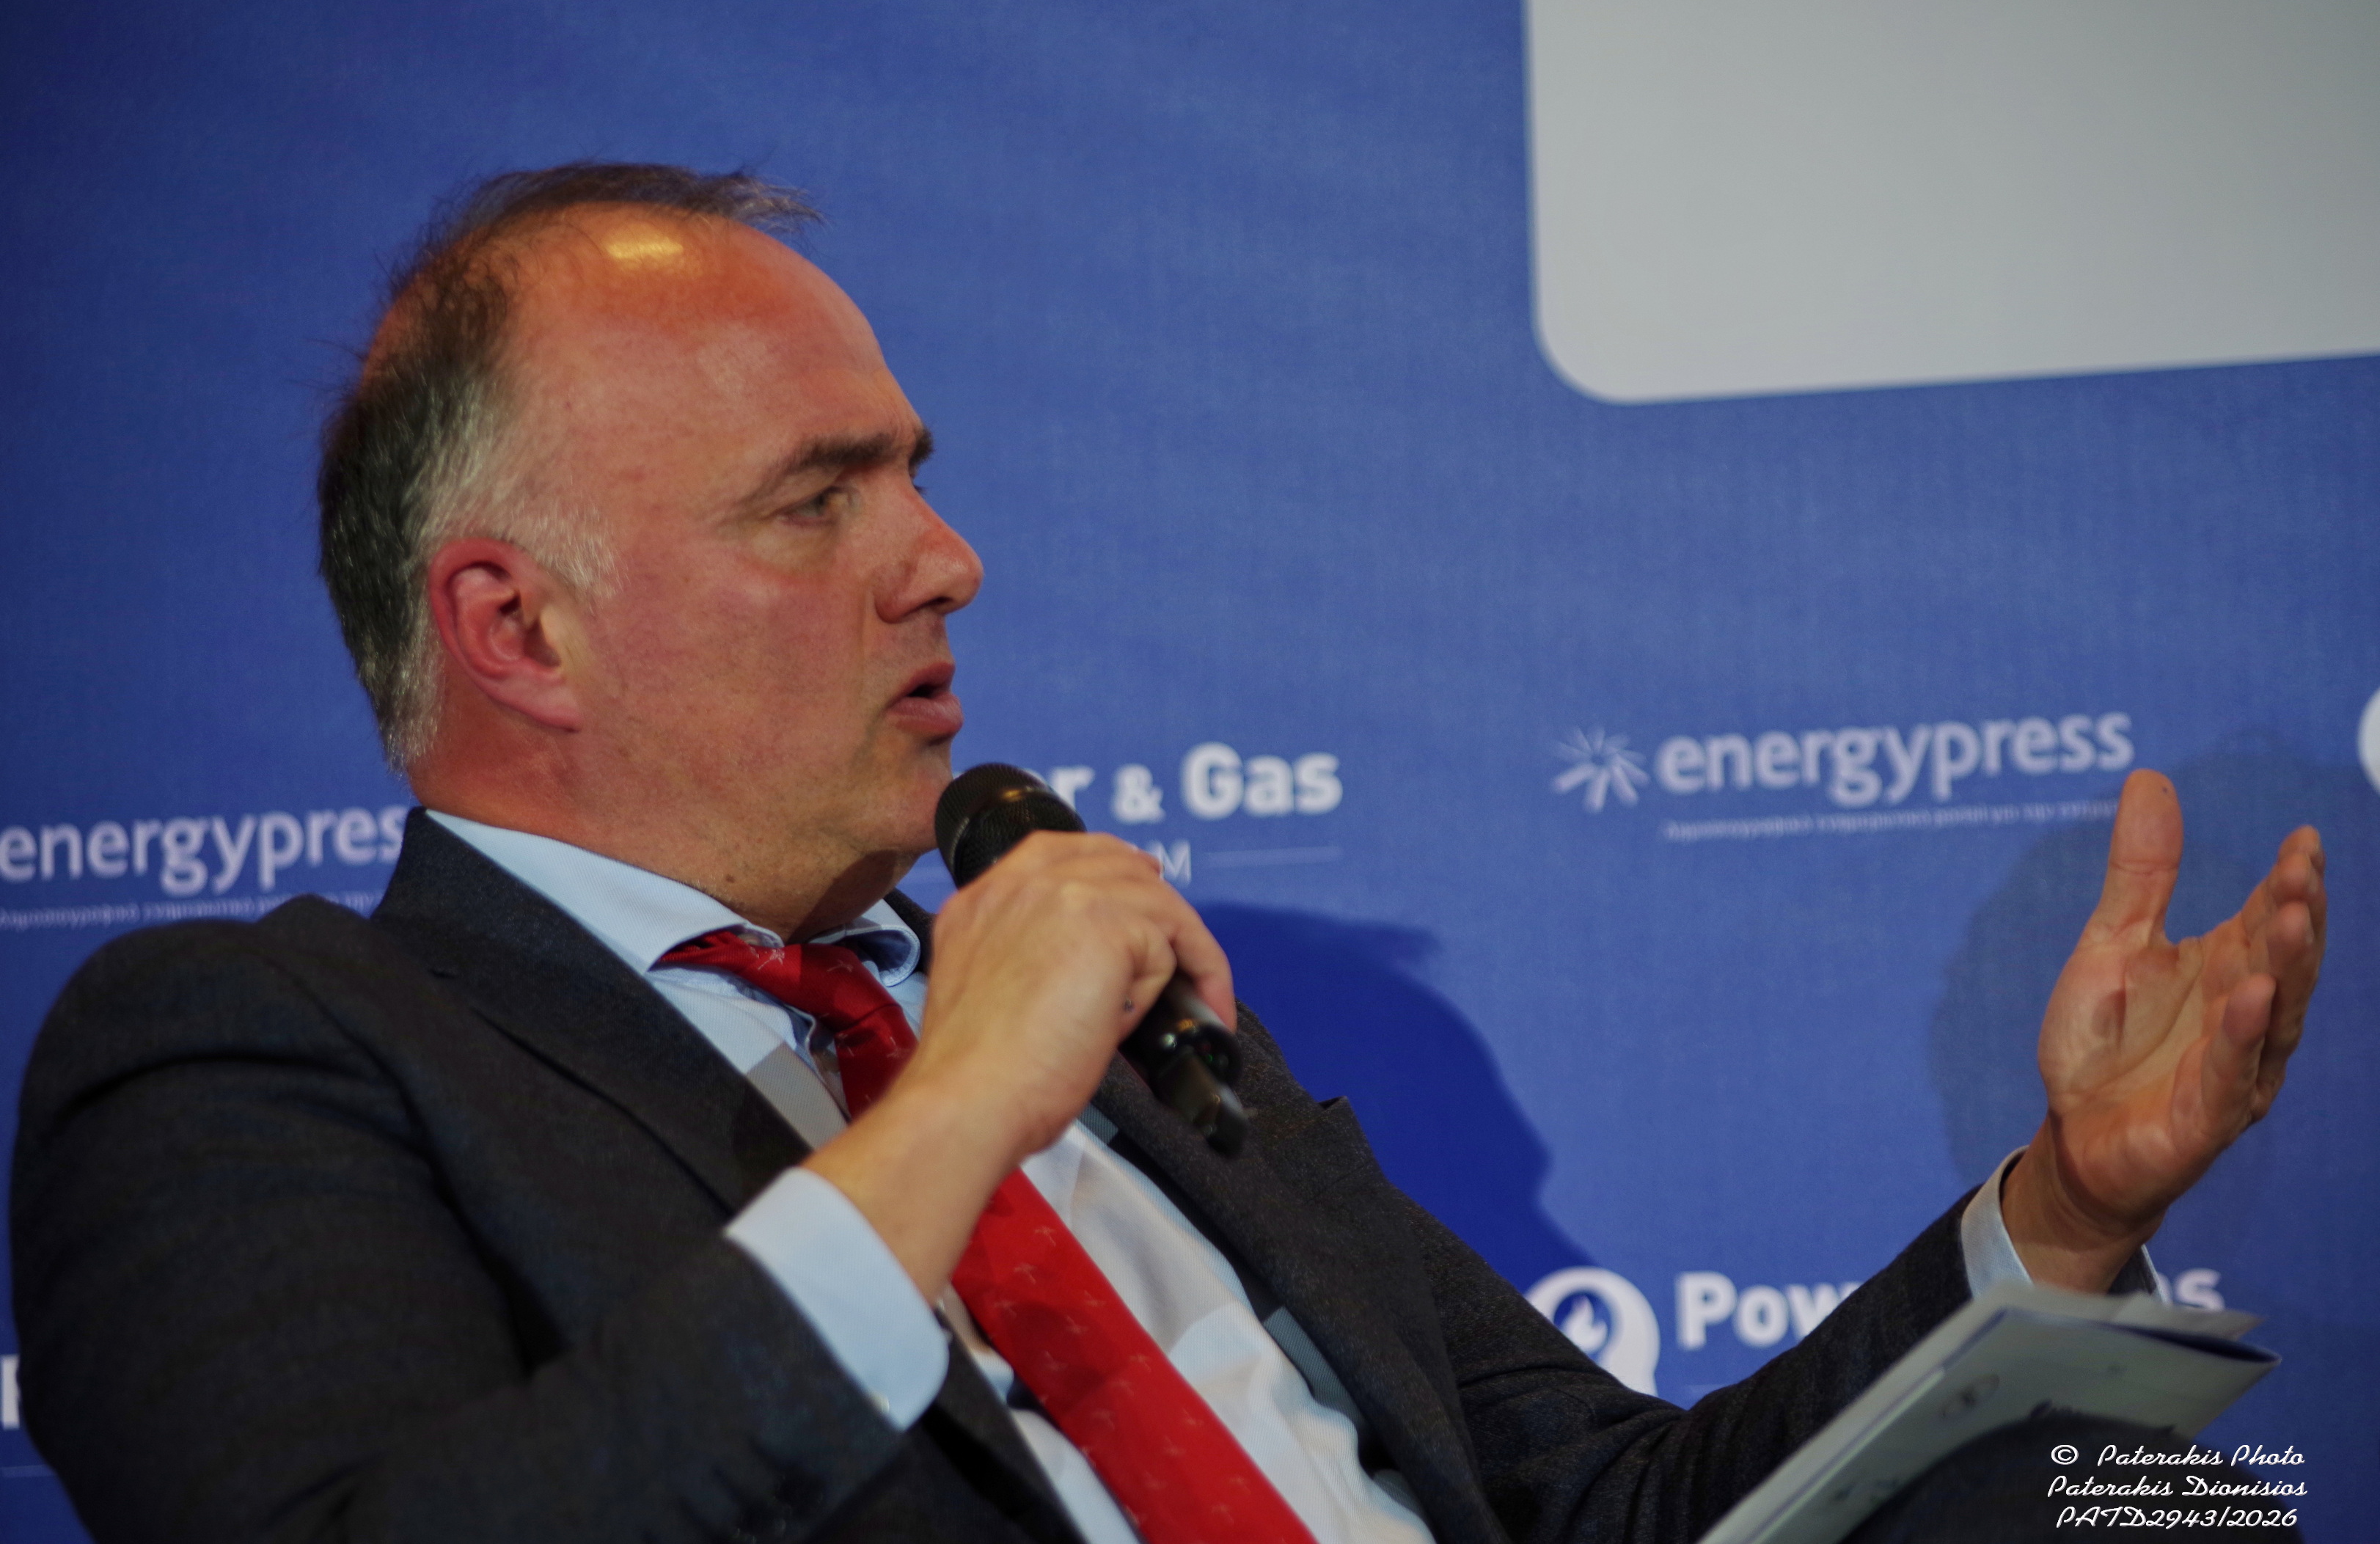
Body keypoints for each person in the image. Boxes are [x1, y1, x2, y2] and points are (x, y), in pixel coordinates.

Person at [10, 164, 2326, 1544]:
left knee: (2141, 1507)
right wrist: (962, 1107)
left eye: (914, 475)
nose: (948, 561)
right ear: (517, 627)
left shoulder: (1082, 1019)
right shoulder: (257, 1051)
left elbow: (1616, 1506)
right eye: (817, 502)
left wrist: (2069, 1203)